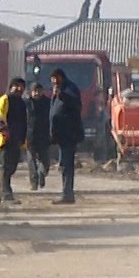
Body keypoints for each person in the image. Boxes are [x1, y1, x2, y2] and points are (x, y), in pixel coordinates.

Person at [48, 68, 85, 204]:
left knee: (67, 165)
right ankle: (66, 193)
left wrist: (62, 95)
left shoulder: (69, 89)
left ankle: (67, 194)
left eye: (55, 79)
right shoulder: (57, 92)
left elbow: (75, 105)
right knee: (64, 164)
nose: (53, 82)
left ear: (61, 77)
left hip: (69, 134)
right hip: (61, 135)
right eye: (52, 80)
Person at [0, 77, 29, 204]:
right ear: (11, 87)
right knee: (6, 167)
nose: (19, 89)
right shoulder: (5, 100)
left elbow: (24, 122)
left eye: (22, 87)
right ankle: (6, 194)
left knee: (12, 167)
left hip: (17, 140)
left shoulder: (22, 103)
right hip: (6, 140)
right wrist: (4, 132)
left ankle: (2, 193)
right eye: (16, 86)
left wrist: (23, 139)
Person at [26, 82, 52, 190]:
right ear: (30, 92)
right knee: (31, 160)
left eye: (38, 91)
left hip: (44, 135)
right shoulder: (26, 104)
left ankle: (42, 173)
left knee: (45, 160)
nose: (36, 93)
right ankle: (34, 182)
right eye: (34, 91)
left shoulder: (48, 103)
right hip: (30, 136)